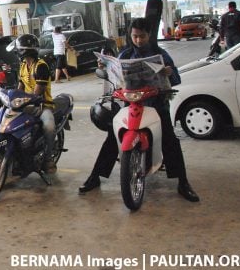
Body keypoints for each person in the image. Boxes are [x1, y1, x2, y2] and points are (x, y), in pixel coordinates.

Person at [79, 18, 199, 202]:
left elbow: (176, 79)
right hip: (130, 103)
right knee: (112, 137)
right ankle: (95, 177)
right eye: (135, 36)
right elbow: (114, 79)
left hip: (156, 104)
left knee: (170, 139)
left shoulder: (161, 55)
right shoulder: (124, 54)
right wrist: (105, 68)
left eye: (142, 36)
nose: (138, 40)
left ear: (149, 35)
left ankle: (183, 182)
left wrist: (169, 73)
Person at [11, 34, 57, 174]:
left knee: (49, 127)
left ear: (26, 50)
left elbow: (37, 94)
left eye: (19, 49)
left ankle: (48, 159)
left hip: (43, 106)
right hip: (26, 104)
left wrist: (23, 101)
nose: (17, 51)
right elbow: (20, 87)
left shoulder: (41, 66)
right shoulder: (23, 64)